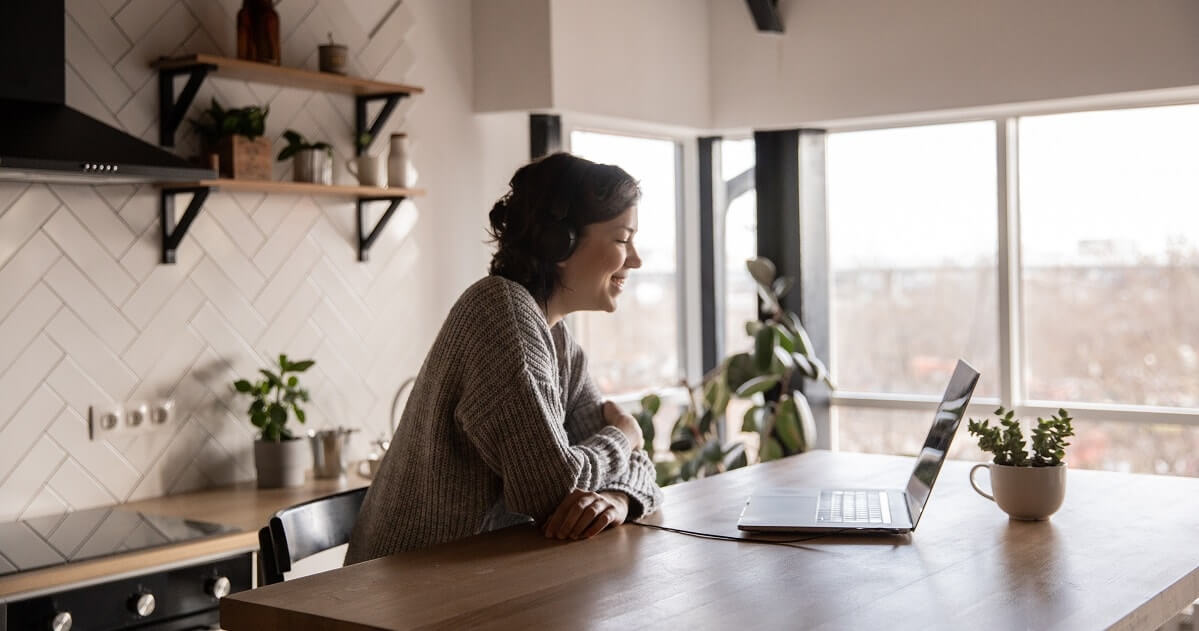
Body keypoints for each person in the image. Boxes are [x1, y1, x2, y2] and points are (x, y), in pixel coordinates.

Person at [345, 152, 664, 563]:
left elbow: (637, 471)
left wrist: (618, 499)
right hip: (395, 600)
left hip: (468, 583)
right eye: (622, 239)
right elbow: (553, 490)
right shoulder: (500, 313)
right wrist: (625, 436)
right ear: (559, 243)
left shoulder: (559, 340)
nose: (635, 259)